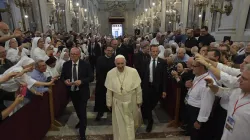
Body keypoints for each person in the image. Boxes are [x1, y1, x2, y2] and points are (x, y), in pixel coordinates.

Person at [205, 64, 250, 140]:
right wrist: (212, 86)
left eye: (244, 79)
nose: (239, 80)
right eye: (241, 76)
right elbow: (223, 92)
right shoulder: (238, 91)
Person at [105, 55, 142, 140]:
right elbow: (109, 91)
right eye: (118, 64)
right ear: (115, 63)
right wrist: (109, 102)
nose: (120, 66)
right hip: (117, 102)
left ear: (125, 63)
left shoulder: (133, 71)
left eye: (122, 63)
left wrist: (139, 100)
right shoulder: (110, 73)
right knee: (119, 123)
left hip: (131, 100)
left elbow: (138, 88)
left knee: (131, 122)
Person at [61, 47, 94, 140]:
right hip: (72, 91)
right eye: (71, 54)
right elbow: (62, 76)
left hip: (82, 91)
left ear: (79, 55)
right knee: (78, 110)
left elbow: (91, 77)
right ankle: (81, 121)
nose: (73, 56)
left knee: (82, 111)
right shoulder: (66, 64)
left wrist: (82, 81)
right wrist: (65, 81)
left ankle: (82, 133)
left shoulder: (85, 64)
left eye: (75, 54)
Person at [141, 45, 167, 132]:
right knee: (147, 103)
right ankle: (150, 121)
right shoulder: (145, 61)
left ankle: (146, 115)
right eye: (153, 51)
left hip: (157, 88)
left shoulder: (162, 62)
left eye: (156, 51)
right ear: (150, 52)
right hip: (147, 86)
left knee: (153, 104)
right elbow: (142, 75)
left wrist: (164, 90)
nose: (155, 53)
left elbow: (164, 77)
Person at [94, 46, 115, 121]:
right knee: (101, 96)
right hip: (102, 81)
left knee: (112, 96)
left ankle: (111, 109)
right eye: (108, 50)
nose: (110, 52)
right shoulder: (100, 59)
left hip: (112, 81)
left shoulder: (114, 59)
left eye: (111, 51)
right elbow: (98, 70)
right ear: (105, 51)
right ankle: (100, 111)